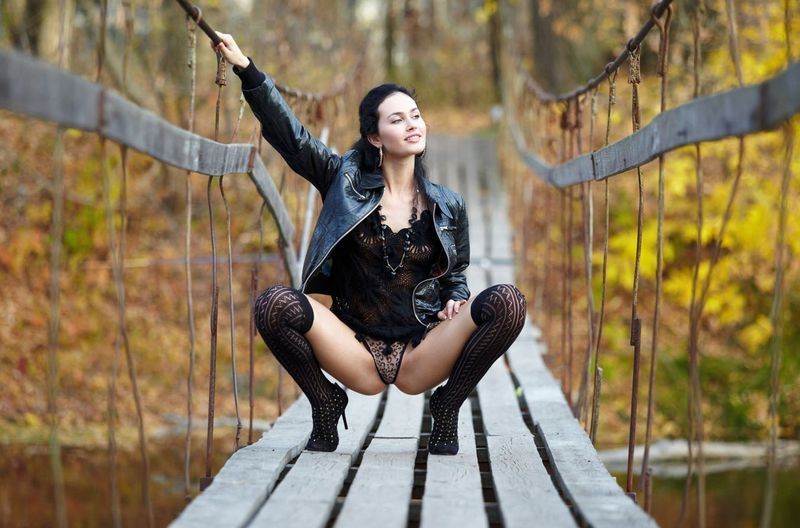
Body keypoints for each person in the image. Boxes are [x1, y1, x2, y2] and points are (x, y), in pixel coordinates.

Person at [213, 32, 526, 455]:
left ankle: (448, 404)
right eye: (397, 119)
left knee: (508, 301)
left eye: (415, 115)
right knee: (274, 304)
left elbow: (456, 276)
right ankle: (325, 402)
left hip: (422, 349)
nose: (412, 125)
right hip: (355, 347)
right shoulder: (341, 179)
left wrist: (457, 299)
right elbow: (293, 137)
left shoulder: (449, 205)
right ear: (375, 136)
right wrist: (246, 69)